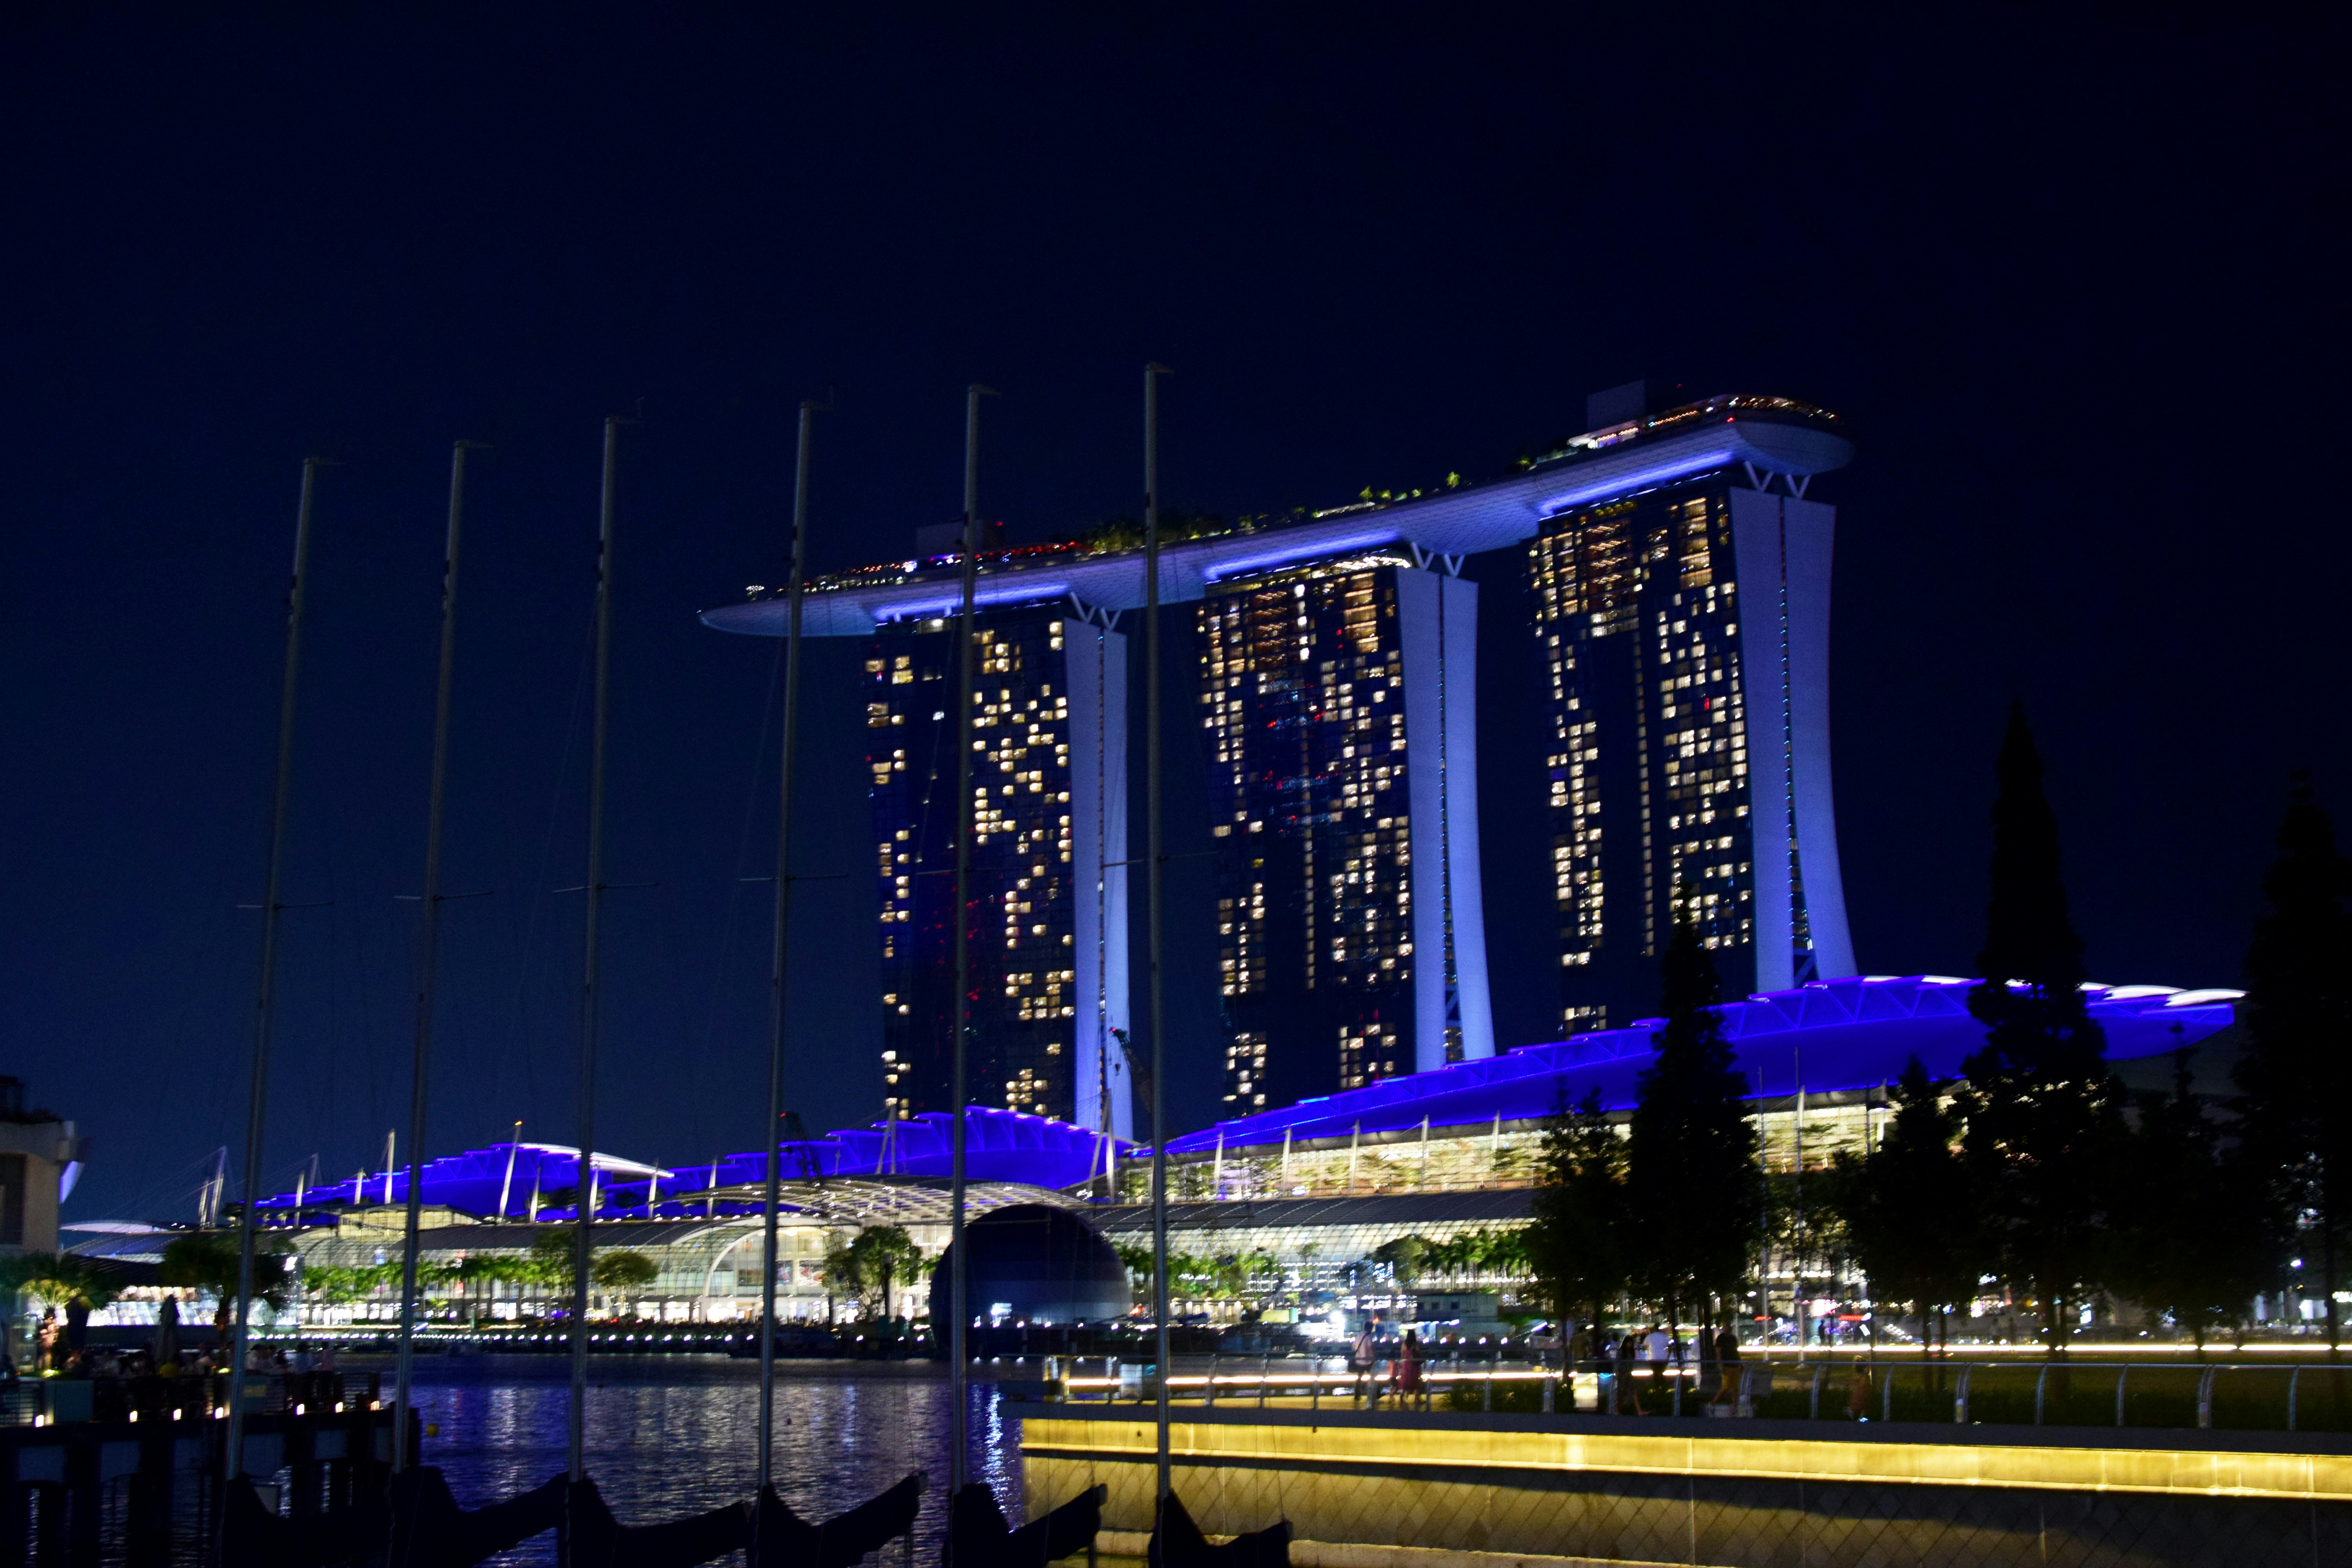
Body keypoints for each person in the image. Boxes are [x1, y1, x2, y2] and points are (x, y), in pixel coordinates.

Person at [1393, 1330, 1425, 1410]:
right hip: (1414, 1365)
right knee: (1416, 1380)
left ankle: (1402, 1395)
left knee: (1406, 1379)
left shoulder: (1404, 1344)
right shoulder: (1416, 1344)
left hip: (1406, 1365)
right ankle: (1417, 1398)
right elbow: (1419, 1354)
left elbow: (1402, 1355)